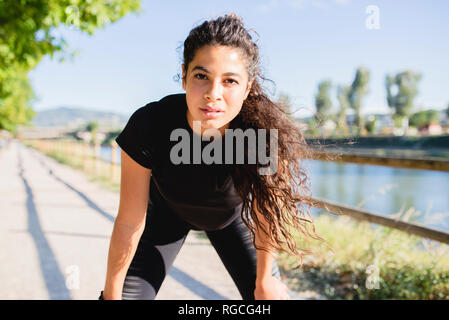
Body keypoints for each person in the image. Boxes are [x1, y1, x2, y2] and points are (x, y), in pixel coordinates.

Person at [100, 13, 323, 300]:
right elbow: (130, 221)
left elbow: (264, 212)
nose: (213, 94)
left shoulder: (261, 135)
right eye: (201, 76)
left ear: (248, 87)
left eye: (230, 81)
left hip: (231, 220)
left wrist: (265, 278)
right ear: (183, 75)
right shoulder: (149, 125)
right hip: (166, 217)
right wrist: (112, 294)